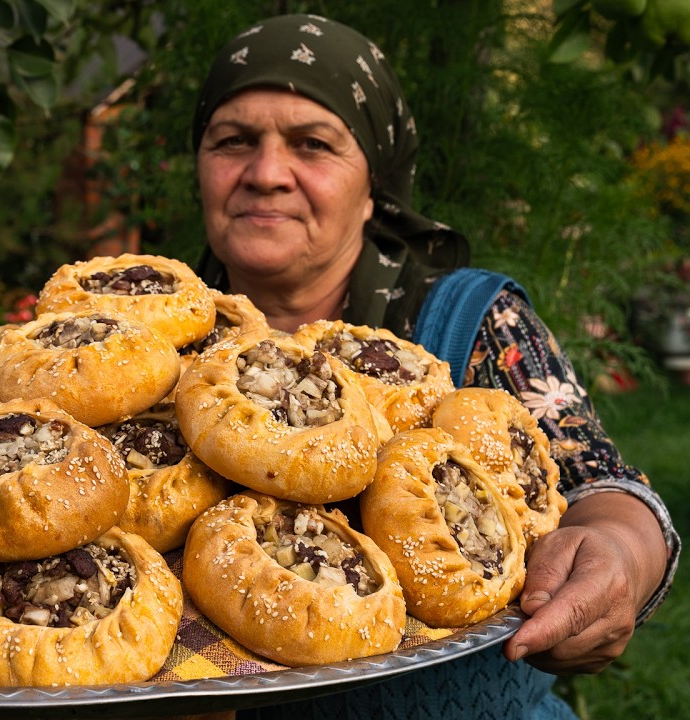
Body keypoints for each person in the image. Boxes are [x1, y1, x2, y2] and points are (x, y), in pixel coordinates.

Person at [188, 14, 681, 719]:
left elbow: (601, 484)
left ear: (374, 184)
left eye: (313, 144)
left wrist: (619, 556)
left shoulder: (469, 322)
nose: (266, 174)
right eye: (233, 141)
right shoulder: (152, 345)